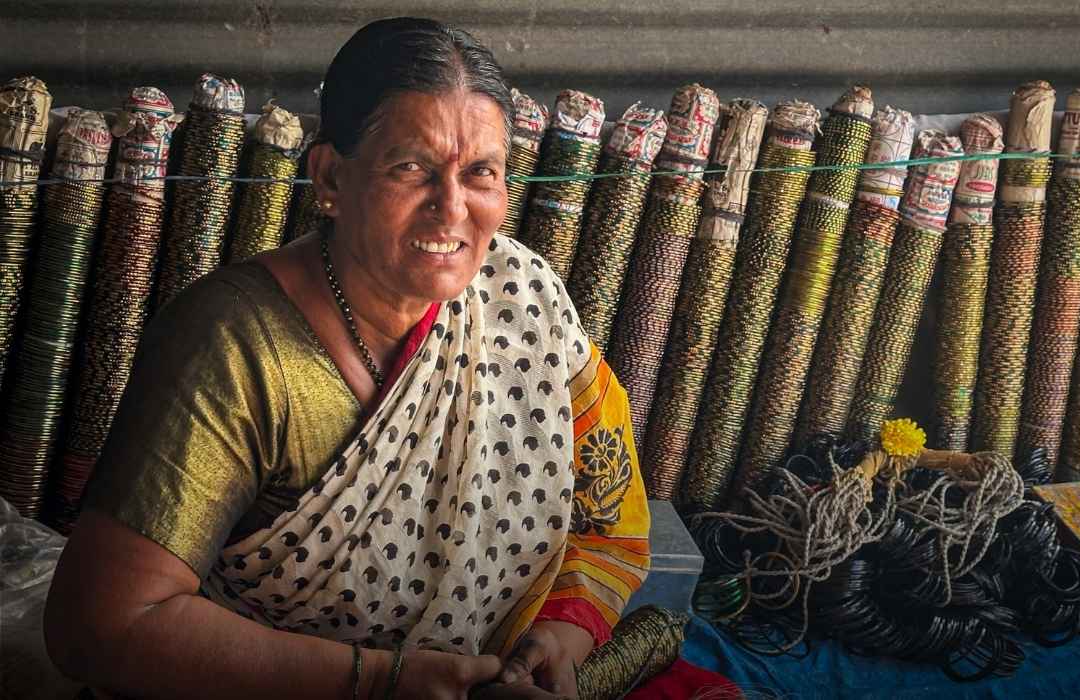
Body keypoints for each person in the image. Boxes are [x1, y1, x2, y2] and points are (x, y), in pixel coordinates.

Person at [44, 17, 650, 700]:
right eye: (411, 168)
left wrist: (557, 638)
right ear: (330, 174)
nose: (452, 209)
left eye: (481, 172)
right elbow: (100, 627)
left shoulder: (524, 301)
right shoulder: (236, 346)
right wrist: (377, 683)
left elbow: (608, 524)